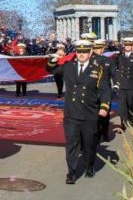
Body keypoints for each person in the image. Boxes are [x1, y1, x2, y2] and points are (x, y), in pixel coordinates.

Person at [47, 39, 111, 184]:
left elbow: (105, 89)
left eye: (84, 52)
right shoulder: (68, 66)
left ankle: (89, 166)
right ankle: (72, 172)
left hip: (89, 113)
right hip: (71, 113)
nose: (81, 54)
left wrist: (104, 107)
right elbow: (51, 69)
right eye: (79, 52)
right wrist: (54, 58)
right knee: (71, 144)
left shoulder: (97, 69)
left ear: (90, 53)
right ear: (75, 52)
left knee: (89, 144)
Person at [91, 39, 114, 141]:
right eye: (95, 48)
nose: (98, 50)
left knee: (105, 114)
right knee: (93, 114)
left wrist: (116, 84)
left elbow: (114, 74)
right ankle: (95, 134)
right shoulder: (89, 60)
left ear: (103, 49)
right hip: (92, 91)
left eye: (100, 48)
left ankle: (104, 132)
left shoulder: (108, 60)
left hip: (105, 90)